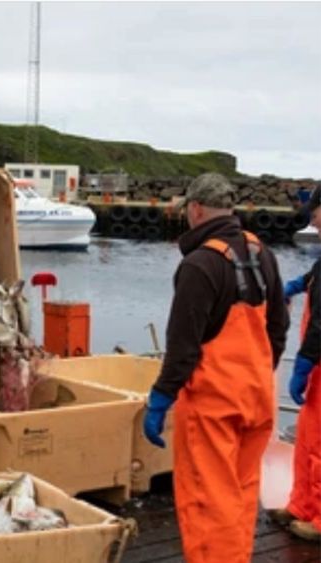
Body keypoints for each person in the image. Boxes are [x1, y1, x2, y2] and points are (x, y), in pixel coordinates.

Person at [143, 173, 289, 562]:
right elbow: (279, 328)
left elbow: (182, 347)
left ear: (195, 209)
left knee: (209, 503)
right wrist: (259, 372)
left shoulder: (200, 265)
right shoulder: (263, 254)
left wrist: (161, 398)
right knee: (240, 496)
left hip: (213, 409)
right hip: (257, 401)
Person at [268, 187, 321, 541]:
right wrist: (299, 284)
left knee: (320, 443)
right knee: (306, 438)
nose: (312, 219)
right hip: (317, 361)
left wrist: (303, 363)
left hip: (317, 355)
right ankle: (301, 505)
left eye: (316, 212)